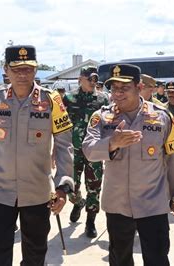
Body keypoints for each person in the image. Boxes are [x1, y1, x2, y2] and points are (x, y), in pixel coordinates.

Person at [0, 45, 74, 265]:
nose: (23, 74)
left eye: (28, 68)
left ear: (36, 70)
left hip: (37, 192)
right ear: (6, 70)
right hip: (0, 192)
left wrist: (63, 187)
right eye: (17, 69)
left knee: (35, 251)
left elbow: (64, 146)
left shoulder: (50, 101)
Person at [82, 64, 174, 266]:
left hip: (153, 204)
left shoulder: (162, 117)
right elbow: (88, 149)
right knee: (119, 258)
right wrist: (112, 142)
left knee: (157, 258)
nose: (118, 94)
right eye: (114, 88)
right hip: (117, 204)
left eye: (124, 88)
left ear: (139, 87)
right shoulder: (102, 117)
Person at [62, 65, 109, 238]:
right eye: (89, 79)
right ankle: (78, 202)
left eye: (95, 79)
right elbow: (61, 126)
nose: (93, 82)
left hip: (95, 151)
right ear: (80, 79)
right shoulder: (68, 98)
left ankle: (90, 221)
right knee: (70, 185)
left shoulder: (104, 100)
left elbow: (108, 125)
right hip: (73, 150)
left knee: (94, 186)